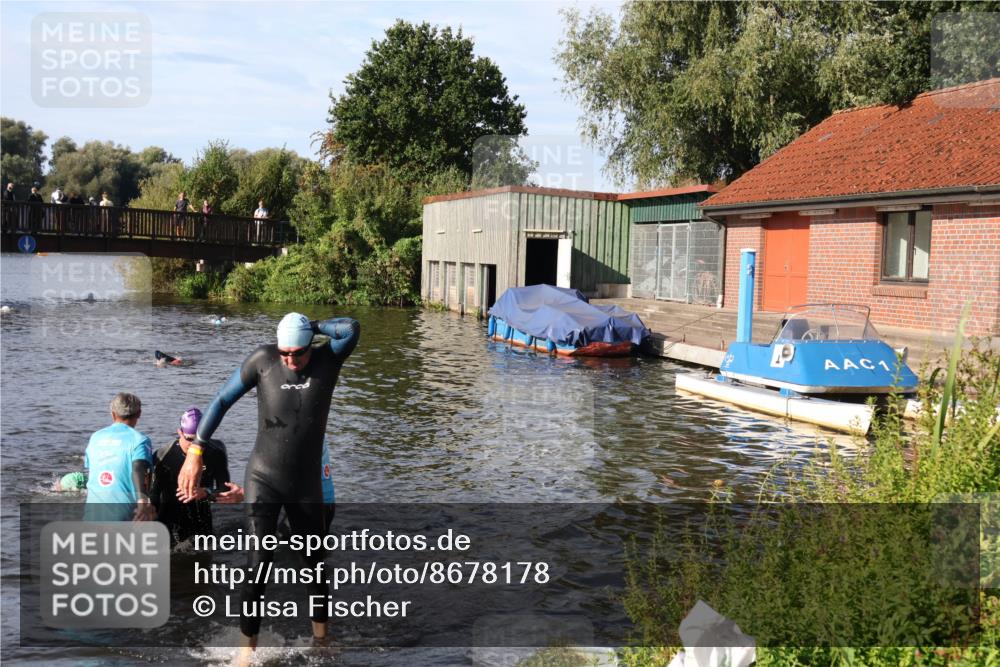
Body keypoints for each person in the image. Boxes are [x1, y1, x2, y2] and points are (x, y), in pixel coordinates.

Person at [178, 312, 360, 659]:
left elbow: (351, 328)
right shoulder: (263, 360)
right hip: (264, 477)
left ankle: (321, 640)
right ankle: (247, 653)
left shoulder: (328, 359)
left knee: (316, 565)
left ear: (310, 345)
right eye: (285, 352)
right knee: (259, 563)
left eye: (297, 352)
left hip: (306, 484)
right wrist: (196, 451)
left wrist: (313, 325)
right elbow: (221, 400)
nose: (290, 360)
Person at [150, 407, 243, 545]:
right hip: (169, 518)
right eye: (189, 439)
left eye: (199, 440)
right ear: (179, 432)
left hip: (202, 519)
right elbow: (154, 496)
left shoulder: (216, 451)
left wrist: (205, 492)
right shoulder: (163, 456)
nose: (194, 446)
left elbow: (226, 491)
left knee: (205, 557)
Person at [84, 392, 156, 522]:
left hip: (91, 516)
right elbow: (138, 468)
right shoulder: (140, 440)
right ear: (139, 413)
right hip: (124, 517)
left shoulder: (95, 437)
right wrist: (142, 501)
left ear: (113, 414)